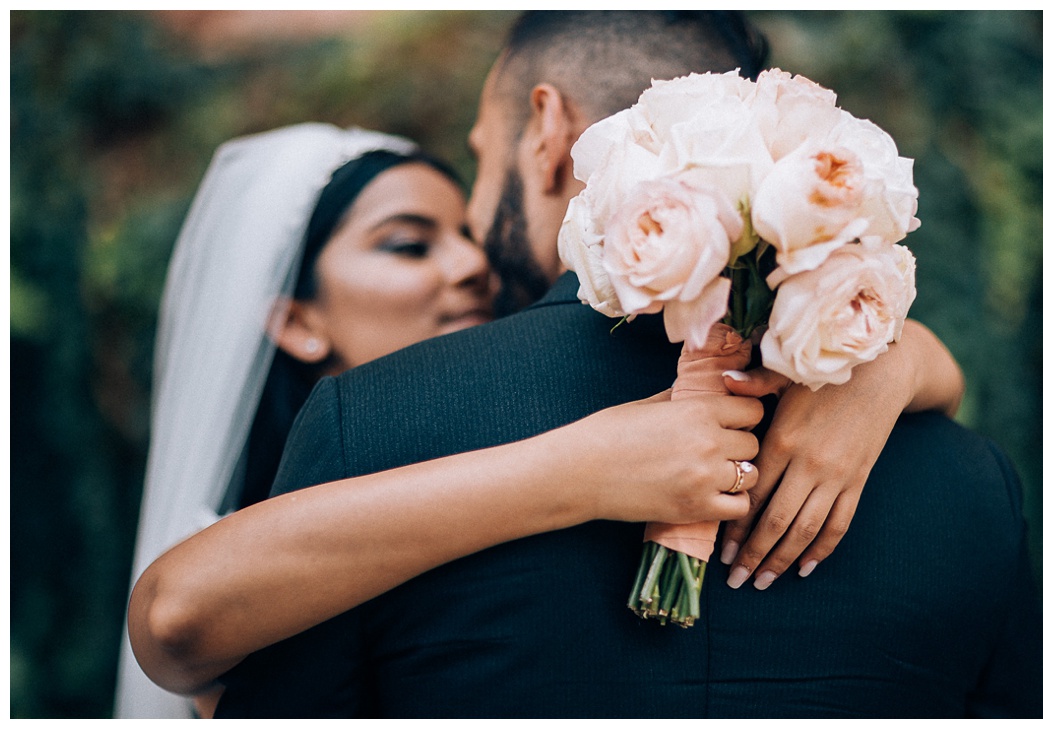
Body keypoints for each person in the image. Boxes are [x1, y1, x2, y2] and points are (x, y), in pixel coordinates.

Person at [213, 11, 1043, 718]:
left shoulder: (370, 424)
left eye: (479, 153)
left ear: (546, 131)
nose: (470, 222)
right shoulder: (976, 483)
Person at [120, 115, 965, 714]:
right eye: (409, 244)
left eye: (465, 232)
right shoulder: (256, 507)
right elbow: (172, 619)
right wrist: (587, 469)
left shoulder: (529, 390)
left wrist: (889, 363)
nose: (470, 265)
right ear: (294, 318)